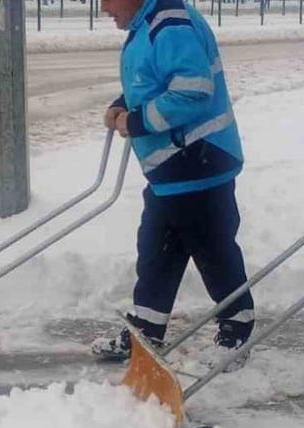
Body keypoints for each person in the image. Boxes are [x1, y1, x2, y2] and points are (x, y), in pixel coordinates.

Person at [90, 0, 255, 369]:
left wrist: (137, 122)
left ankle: (237, 331)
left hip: (199, 160)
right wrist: (123, 104)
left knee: (213, 252)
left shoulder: (170, 24)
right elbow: (153, 81)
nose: (103, 8)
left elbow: (193, 91)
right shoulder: (149, 21)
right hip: (173, 167)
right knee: (156, 252)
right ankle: (146, 333)